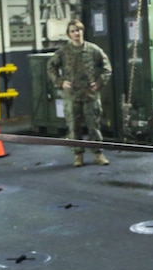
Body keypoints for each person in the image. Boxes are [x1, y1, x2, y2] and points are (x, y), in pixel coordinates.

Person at [47, 19, 113, 166]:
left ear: (82, 31)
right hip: (72, 95)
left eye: (78, 30)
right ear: (69, 34)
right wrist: (60, 82)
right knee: (74, 127)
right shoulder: (64, 52)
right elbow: (51, 66)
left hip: (90, 95)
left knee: (93, 126)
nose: (76, 33)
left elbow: (106, 67)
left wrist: (100, 82)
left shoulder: (93, 50)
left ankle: (98, 154)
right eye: (72, 31)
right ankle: (78, 155)